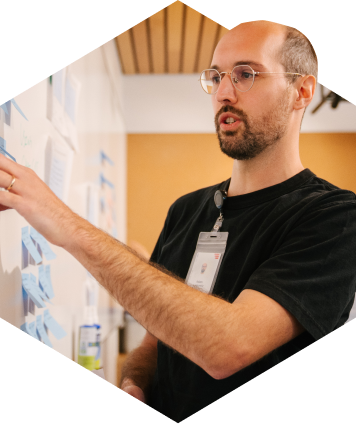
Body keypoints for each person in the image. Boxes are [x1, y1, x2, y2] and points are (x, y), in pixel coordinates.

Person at [0, 20, 355, 422]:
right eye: (216, 76)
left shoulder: (336, 218)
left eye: (245, 74)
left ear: (302, 91)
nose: (223, 93)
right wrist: (135, 380)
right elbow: (159, 336)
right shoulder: (187, 210)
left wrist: (66, 226)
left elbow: (227, 347)